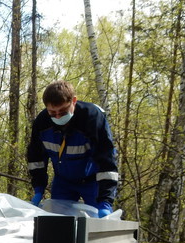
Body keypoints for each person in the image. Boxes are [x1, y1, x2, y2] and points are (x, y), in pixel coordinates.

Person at [27, 80, 119, 217]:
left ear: (73, 101)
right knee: (58, 224)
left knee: (95, 225)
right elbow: (36, 158)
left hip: (92, 181)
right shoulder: (41, 123)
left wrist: (105, 200)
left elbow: (106, 160)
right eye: (52, 113)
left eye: (63, 112)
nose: (57, 116)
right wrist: (39, 188)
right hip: (63, 181)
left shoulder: (91, 118)